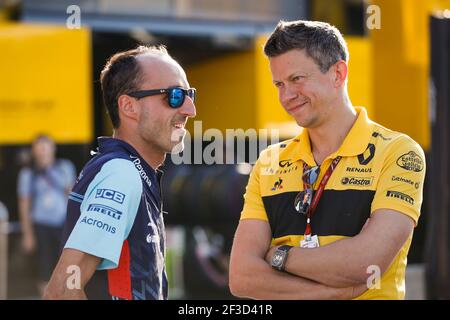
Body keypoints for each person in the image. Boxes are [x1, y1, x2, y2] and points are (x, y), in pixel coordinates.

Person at [229, 20, 426, 299]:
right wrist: (331, 293)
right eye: (279, 84)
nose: (286, 96)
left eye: (297, 79)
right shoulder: (269, 162)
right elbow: (242, 277)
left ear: (338, 73)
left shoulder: (399, 152)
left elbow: (366, 264)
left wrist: (279, 255)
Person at [43, 45, 196, 300]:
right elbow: (62, 291)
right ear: (128, 107)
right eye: (175, 96)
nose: (191, 110)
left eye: (191, 95)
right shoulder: (121, 173)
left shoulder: (128, 170)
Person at [17, 134, 76, 297]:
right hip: (41, 225)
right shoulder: (28, 173)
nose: (42, 151)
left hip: (63, 224)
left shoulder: (64, 167)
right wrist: (27, 234)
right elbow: (24, 204)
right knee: (44, 269)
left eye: (45, 147)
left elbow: (73, 196)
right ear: (34, 151)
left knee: (68, 268)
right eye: (39, 148)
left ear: (53, 148)